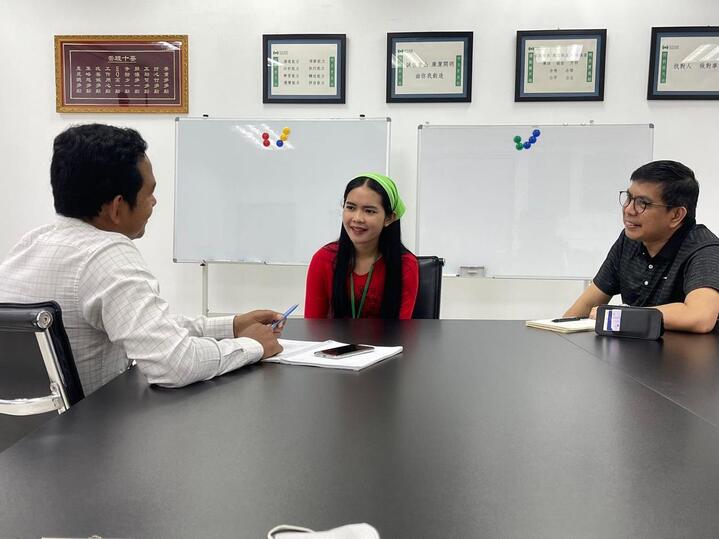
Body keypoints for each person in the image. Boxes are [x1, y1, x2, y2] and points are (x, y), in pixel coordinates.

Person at [0, 124, 283, 395]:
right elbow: (174, 365)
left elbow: (147, 330)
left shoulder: (30, 244)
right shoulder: (106, 253)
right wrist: (252, 346)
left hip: (24, 439)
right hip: (95, 437)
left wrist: (231, 325)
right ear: (117, 207)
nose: (154, 202)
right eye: (149, 192)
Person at [564, 160, 719, 333]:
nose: (629, 210)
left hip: (685, 358)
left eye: (642, 203)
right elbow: (587, 304)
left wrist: (620, 315)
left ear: (676, 215)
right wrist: (558, 333)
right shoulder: (630, 240)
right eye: (629, 198)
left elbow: (699, 317)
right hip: (636, 356)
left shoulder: (704, 249)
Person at [305, 173, 419, 319]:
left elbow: (401, 331)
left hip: (387, 342)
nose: (357, 218)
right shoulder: (324, 259)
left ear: (389, 218)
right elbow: (313, 327)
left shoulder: (405, 265)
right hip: (336, 342)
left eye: (369, 211)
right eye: (351, 208)